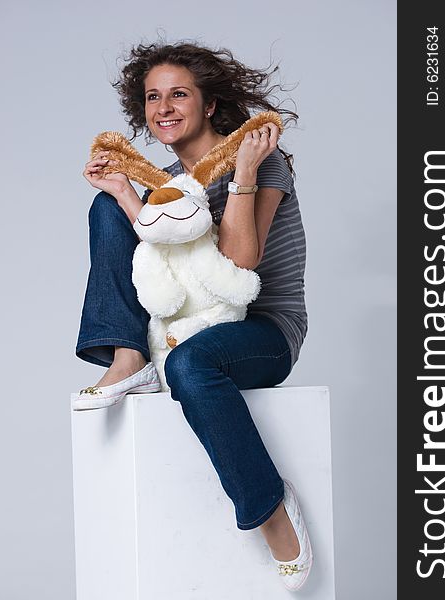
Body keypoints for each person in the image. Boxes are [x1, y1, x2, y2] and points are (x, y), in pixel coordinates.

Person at [75, 40, 311, 591]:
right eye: (153, 97)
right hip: (181, 324)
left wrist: (246, 170)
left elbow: (238, 262)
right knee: (108, 205)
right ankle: (128, 354)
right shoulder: (163, 180)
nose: (164, 108)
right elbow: (158, 252)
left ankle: (269, 509)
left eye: (179, 94)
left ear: (208, 105)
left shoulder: (260, 158)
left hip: (261, 331)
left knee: (191, 368)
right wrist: (125, 193)